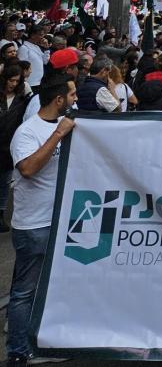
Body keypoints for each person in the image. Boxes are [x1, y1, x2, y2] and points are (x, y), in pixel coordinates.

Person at [7, 73, 76, 366]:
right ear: (59, 100)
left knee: (52, 288)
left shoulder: (69, 126)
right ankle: (18, 351)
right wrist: (58, 134)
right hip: (33, 225)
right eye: (71, 95)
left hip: (60, 222)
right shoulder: (27, 132)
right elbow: (28, 169)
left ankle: (42, 342)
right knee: (25, 291)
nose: (76, 100)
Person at [0, 64, 29, 233]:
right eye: (11, 80)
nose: (13, 84)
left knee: (4, 183)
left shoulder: (22, 99)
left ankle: (1, 214)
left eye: (17, 81)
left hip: (8, 147)